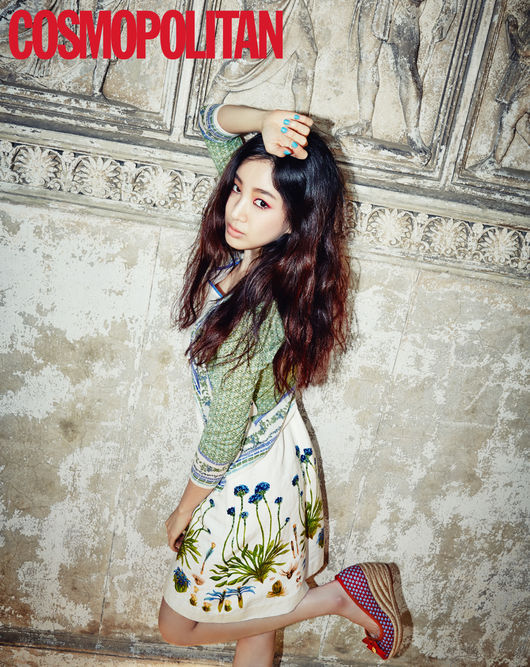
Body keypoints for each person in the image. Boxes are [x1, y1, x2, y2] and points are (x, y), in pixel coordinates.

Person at [158, 104, 406, 665]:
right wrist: (265, 121)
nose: (236, 210)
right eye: (237, 189)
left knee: (177, 627)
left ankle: (341, 597)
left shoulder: (259, 305)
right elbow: (210, 123)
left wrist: (183, 509)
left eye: (262, 202)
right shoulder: (258, 260)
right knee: (255, 620)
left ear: (295, 220)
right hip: (273, 461)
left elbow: (224, 433)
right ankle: (343, 596)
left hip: (243, 477)